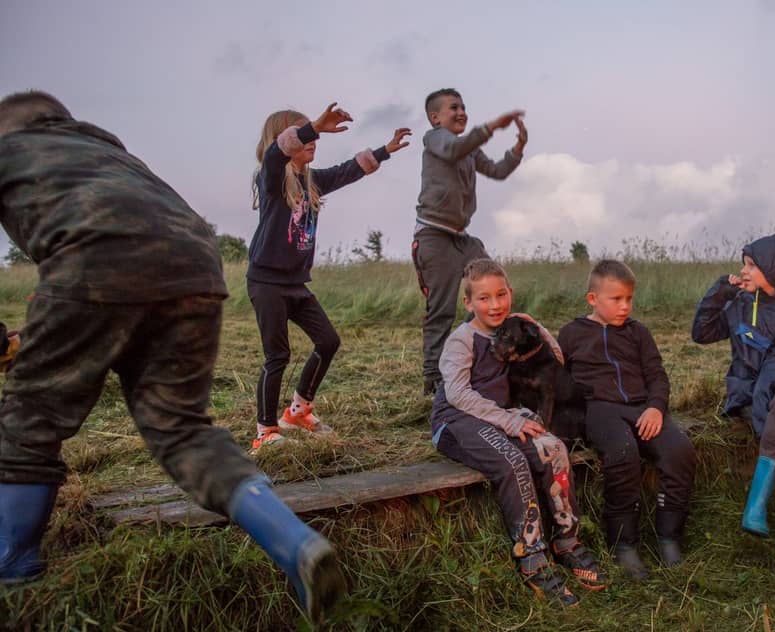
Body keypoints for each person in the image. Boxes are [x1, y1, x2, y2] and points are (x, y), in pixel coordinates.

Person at [0, 90, 344, 620]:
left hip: (92, 255)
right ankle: (296, 543)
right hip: (194, 258)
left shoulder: (12, 150)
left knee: (31, 418)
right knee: (182, 429)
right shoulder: (107, 149)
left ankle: (13, 570)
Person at [430, 258, 606, 605]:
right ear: (468, 303)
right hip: (457, 422)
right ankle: (532, 557)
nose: (495, 305)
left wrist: (535, 325)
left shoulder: (516, 328)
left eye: (501, 295)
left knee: (554, 449)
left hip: (501, 415)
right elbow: (458, 394)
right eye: (484, 298)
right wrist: (510, 421)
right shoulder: (461, 340)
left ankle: (567, 540)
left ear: (510, 293)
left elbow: (555, 358)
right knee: (512, 461)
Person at [248, 103, 410, 452]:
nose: (313, 141)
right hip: (267, 282)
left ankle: (297, 411)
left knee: (328, 341)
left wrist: (385, 150)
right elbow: (276, 155)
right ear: (284, 139)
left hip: (296, 283)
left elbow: (348, 170)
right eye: (303, 135)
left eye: (313, 135)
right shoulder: (271, 178)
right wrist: (315, 127)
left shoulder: (312, 182)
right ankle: (265, 431)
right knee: (277, 356)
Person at [558, 260, 697, 579]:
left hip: (642, 408)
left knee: (680, 451)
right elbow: (558, 379)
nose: (625, 306)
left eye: (629, 299)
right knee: (623, 452)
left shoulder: (638, 333)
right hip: (599, 410)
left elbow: (657, 375)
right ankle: (624, 544)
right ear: (592, 299)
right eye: (616, 299)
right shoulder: (571, 334)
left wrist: (656, 407)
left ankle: (669, 537)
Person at [691, 234, 775, 568]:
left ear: (772, 269)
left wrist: (766, 424)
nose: (743, 271)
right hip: (752, 395)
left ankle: (756, 505)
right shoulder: (738, 302)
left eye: (751, 265)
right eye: (744, 264)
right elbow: (701, 333)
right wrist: (720, 292)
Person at [412, 88, 527, 395]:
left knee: (493, 287)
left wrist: (517, 149)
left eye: (463, 107)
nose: (461, 112)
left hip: (462, 238)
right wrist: (491, 127)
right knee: (441, 310)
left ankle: (473, 352)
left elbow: (497, 171)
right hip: (434, 235)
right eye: (453, 108)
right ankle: (434, 380)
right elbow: (453, 150)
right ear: (435, 118)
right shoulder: (435, 139)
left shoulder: (469, 150)